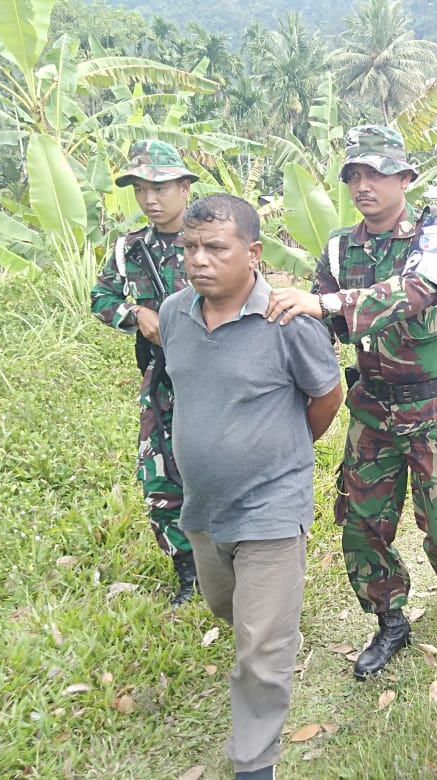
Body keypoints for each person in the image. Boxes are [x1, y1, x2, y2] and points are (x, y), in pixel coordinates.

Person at [266, 125, 437, 680]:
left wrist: (326, 301)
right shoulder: (340, 247)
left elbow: (415, 293)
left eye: (377, 173)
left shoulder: (435, 236)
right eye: (354, 176)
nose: (364, 186)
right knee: (361, 526)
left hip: (434, 407)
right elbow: (327, 325)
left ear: (405, 178)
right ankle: (391, 621)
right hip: (372, 407)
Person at [158, 194, 343, 780]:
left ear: (253, 253)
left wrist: (283, 456)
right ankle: (269, 622)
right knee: (228, 611)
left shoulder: (288, 321)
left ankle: (253, 766)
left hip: (272, 505)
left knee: (261, 652)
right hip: (204, 510)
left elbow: (327, 394)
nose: (199, 260)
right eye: (190, 247)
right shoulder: (172, 314)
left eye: (215, 247)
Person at [90, 140, 200, 605]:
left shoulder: (214, 238)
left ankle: (238, 560)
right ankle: (187, 570)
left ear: (183, 187)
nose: (150, 199)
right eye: (140, 189)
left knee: (223, 467)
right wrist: (135, 313)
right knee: (160, 474)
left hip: (218, 377)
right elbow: (101, 299)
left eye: (159, 186)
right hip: (161, 381)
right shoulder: (129, 250)